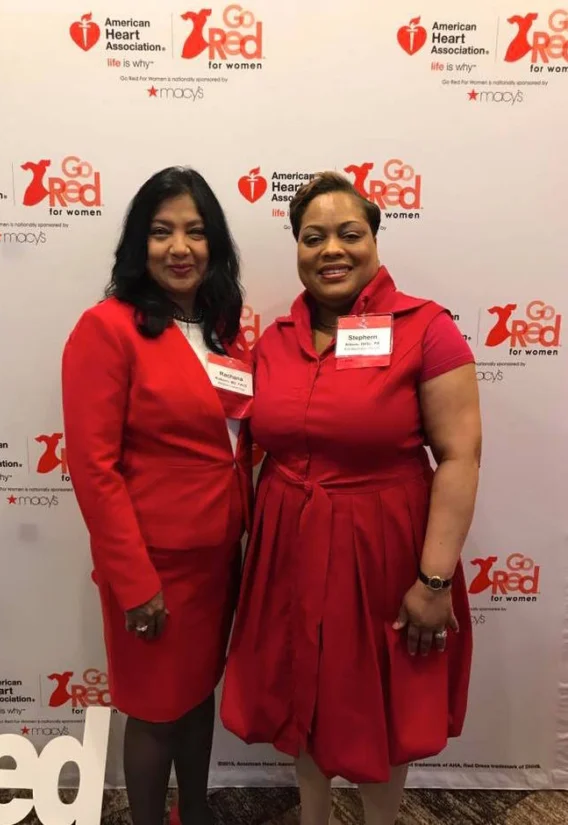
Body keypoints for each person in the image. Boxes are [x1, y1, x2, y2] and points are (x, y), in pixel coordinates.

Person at [221, 171, 481, 825]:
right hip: (289, 545)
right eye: (313, 237)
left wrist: (434, 578)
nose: (330, 249)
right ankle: (312, 816)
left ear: (374, 240)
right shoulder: (275, 340)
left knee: (380, 702)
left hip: (384, 548)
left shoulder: (427, 328)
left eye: (348, 233)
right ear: (297, 248)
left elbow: (459, 456)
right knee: (301, 689)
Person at [62, 167, 252, 825]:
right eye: (162, 230)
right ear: (138, 244)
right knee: (152, 713)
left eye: (196, 232)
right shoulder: (107, 328)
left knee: (198, 699)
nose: (181, 247)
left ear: (214, 244)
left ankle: (193, 812)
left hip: (217, 563)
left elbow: (233, 442)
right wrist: (135, 580)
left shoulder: (224, 329)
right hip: (154, 569)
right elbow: (93, 467)